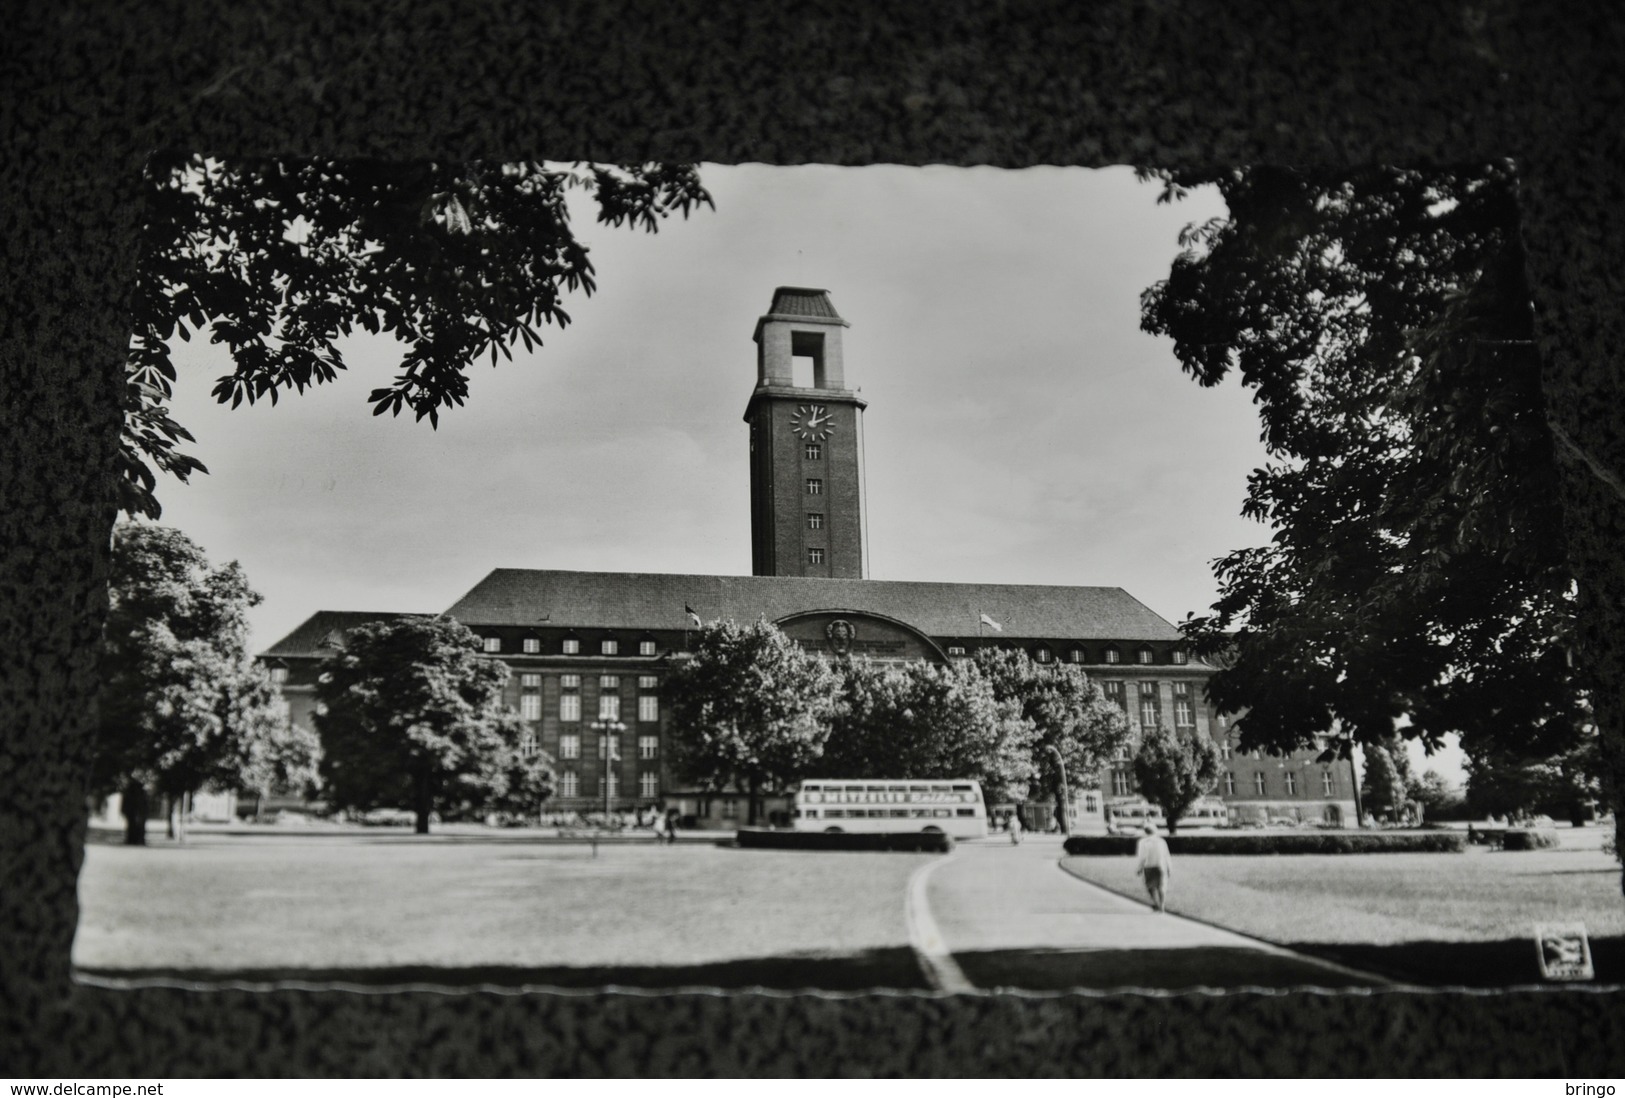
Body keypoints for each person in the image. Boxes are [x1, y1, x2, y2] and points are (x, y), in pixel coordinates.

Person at [1135, 822, 1172, 912]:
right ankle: (1162, 905)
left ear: (1145, 832)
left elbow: (1142, 857)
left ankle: (1156, 903)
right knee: (1161, 886)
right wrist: (1169, 868)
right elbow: (1167, 855)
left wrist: (1139, 868)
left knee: (1150, 886)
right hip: (1160, 865)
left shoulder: (1143, 842)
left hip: (1149, 866)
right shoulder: (1161, 841)